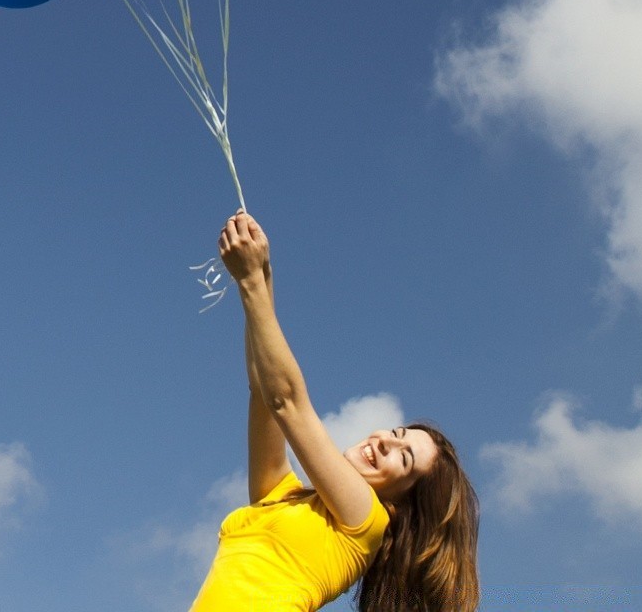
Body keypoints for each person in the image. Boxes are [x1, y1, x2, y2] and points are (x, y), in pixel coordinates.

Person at [190, 210, 480, 612]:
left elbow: (287, 403)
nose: (385, 444)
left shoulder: (366, 522)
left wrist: (253, 279)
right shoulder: (280, 494)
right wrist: (260, 278)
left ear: (399, 504)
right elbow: (264, 390)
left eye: (404, 458)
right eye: (396, 435)